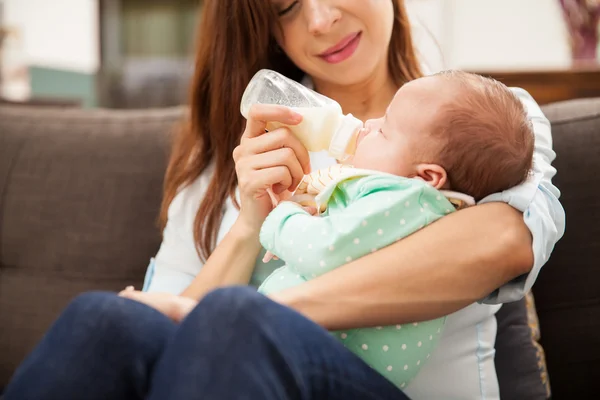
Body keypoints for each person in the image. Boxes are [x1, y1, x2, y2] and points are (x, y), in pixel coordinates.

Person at [4, 1, 564, 399]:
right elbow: (165, 328)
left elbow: (502, 241)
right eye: (287, 6)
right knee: (106, 318)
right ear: (267, 32)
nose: (321, 19)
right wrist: (251, 221)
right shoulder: (231, 164)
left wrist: (265, 311)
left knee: (233, 319)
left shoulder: (490, 118)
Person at [254, 70, 535, 389]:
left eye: (384, 130)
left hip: (333, 367)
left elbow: (324, 252)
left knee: (223, 316)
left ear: (428, 177)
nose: (368, 124)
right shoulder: (420, 210)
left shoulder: (403, 198)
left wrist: (283, 216)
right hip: (321, 359)